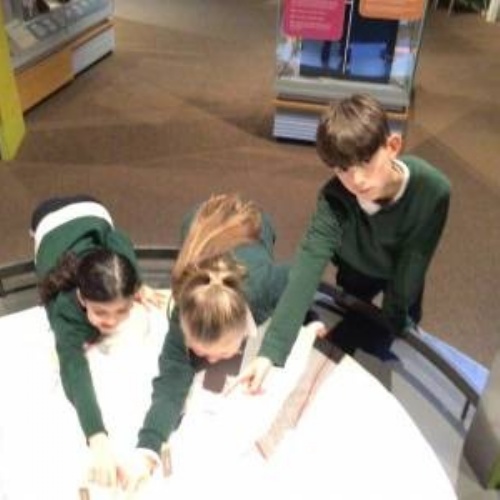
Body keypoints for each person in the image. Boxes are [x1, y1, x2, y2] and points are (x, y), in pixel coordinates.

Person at [236, 93, 451, 393]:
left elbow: (415, 257)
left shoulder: (432, 188)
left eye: (366, 161)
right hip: (356, 266)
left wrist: (398, 319)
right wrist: (270, 352)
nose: (357, 180)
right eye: (342, 169)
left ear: (392, 146)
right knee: (352, 311)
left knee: (402, 319)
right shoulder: (334, 199)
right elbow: (307, 267)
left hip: (403, 272)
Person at [121, 193, 290, 489]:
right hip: (198, 222)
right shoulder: (184, 310)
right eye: (199, 351)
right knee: (192, 239)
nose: (209, 361)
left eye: (221, 352)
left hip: (254, 224)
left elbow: (304, 282)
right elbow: (172, 381)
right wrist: (147, 449)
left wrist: (300, 325)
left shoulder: (267, 287)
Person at [31, 194, 161, 489]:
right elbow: (74, 370)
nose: (112, 322)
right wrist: (97, 437)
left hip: (93, 210)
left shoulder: (123, 268)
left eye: (122, 310)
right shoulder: (65, 310)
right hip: (47, 219)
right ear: (81, 298)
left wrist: (139, 286)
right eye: (101, 312)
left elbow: (117, 238)